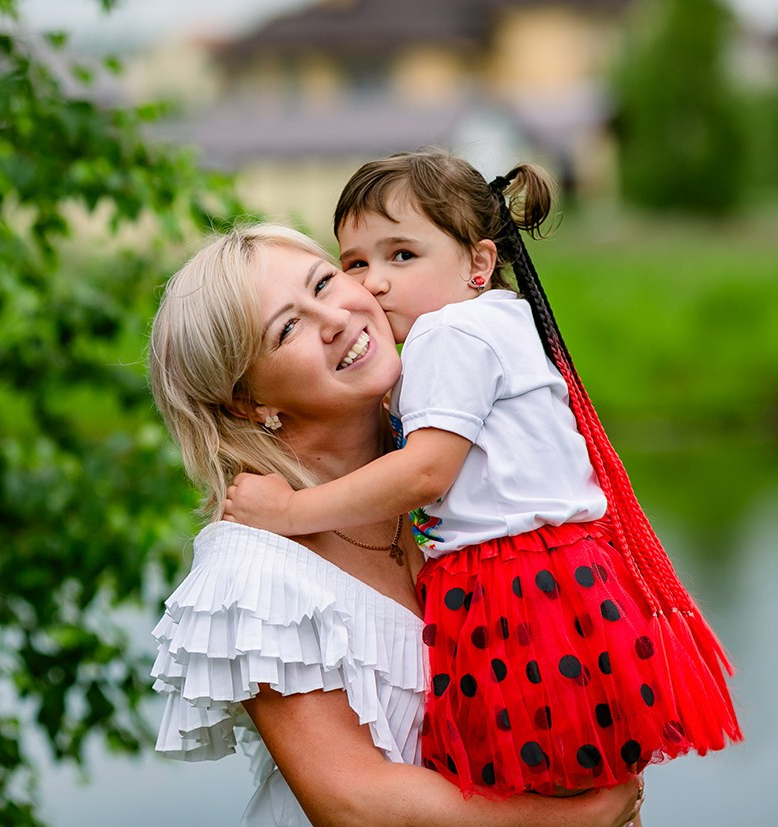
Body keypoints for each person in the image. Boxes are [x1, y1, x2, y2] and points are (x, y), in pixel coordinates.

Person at [221, 149, 742, 801]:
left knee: (509, 779)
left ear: (477, 263)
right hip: (569, 580)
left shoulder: (448, 334)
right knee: (564, 777)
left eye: (401, 256)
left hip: (514, 587)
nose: (374, 283)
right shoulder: (497, 321)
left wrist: (291, 512)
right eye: (355, 262)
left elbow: (426, 473)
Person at [148, 222, 644, 826]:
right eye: (288, 328)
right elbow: (353, 803)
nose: (333, 316)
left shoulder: (465, 475)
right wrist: (578, 822)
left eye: (326, 281)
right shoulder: (254, 566)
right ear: (249, 403)